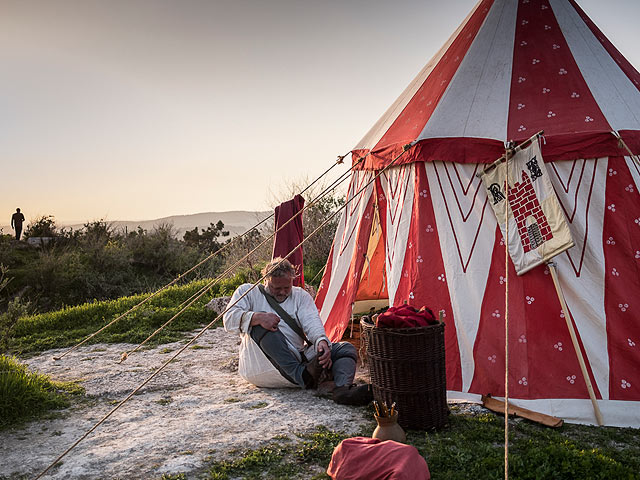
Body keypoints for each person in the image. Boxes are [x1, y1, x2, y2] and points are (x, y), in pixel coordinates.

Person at [223, 258, 372, 405]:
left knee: (345, 348)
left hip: (299, 358)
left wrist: (321, 341)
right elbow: (228, 319)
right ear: (265, 281)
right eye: (276, 288)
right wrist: (257, 317)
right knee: (263, 326)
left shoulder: (300, 295)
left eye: (286, 288)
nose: (282, 292)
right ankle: (303, 376)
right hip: (261, 364)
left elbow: (311, 321)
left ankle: (342, 390)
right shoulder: (248, 292)